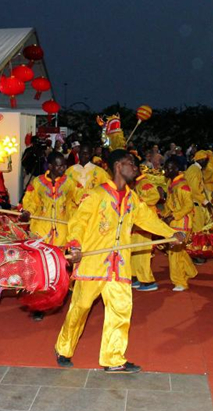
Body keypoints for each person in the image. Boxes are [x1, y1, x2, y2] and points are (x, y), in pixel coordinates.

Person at [54, 149, 186, 373]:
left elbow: (148, 219)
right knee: (81, 307)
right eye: (131, 164)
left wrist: (170, 234)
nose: (135, 168)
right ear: (118, 166)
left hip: (120, 266)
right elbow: (78, 222)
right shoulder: (95, 194)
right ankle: (63, 347)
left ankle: (113, 359)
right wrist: (74, 245)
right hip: (93, 263)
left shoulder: (133, 198)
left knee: (121, 310)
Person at [21, 152, 82, 249]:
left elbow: (80, 197)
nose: (63, 168)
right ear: (50, 166)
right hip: (40, 229)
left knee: (59, 259)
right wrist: (28, 211)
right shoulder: (37, 182)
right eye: (59, 166)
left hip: (62, 229)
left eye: (64, 165)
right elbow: (31, 201)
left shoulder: (70, 182)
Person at [160, 160, 199, 291]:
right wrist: (164, 215)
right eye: (166, 167)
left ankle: (180, 282)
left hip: (182, 223)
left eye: (170, 167)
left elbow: (188, 205)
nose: (167, 170)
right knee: (178, 250)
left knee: (174, 252)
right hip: (175, 222)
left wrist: (173, 216)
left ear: (176, 168)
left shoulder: (182, 186)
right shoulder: (171, 183)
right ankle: (190, 271)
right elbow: (170, 203)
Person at [130, 164, 164, 291]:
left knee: (142, 253)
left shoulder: (144, 183)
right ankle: (136, 277)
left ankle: (147, 281)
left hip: (145, 223)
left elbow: (155, 197)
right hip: (138, 224)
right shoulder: (137, 184)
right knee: (135, 251)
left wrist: (138, 200)